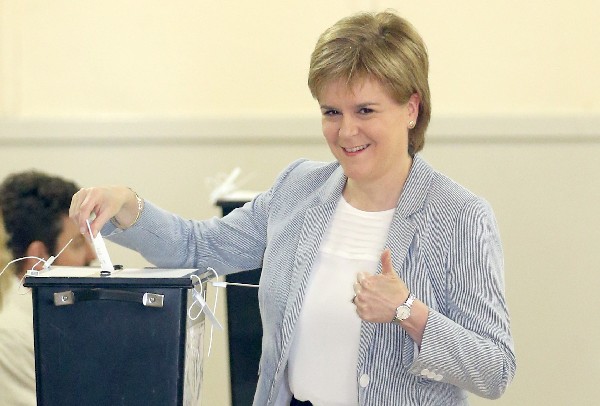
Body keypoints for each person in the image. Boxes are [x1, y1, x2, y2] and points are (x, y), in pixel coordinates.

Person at [70, 10, 516, 406]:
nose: (346, 132)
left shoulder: (460, 216)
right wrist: (126, 206)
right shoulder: (297, 189)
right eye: (331, 112)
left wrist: (408, 312)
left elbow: (495, 369)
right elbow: (196, 247)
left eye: (364, 110)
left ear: (412, 109)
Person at [0, 170, 97, 406]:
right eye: (78, 243)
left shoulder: (65, 317)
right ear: (40, 257)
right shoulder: (10, 336)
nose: (92, 255)